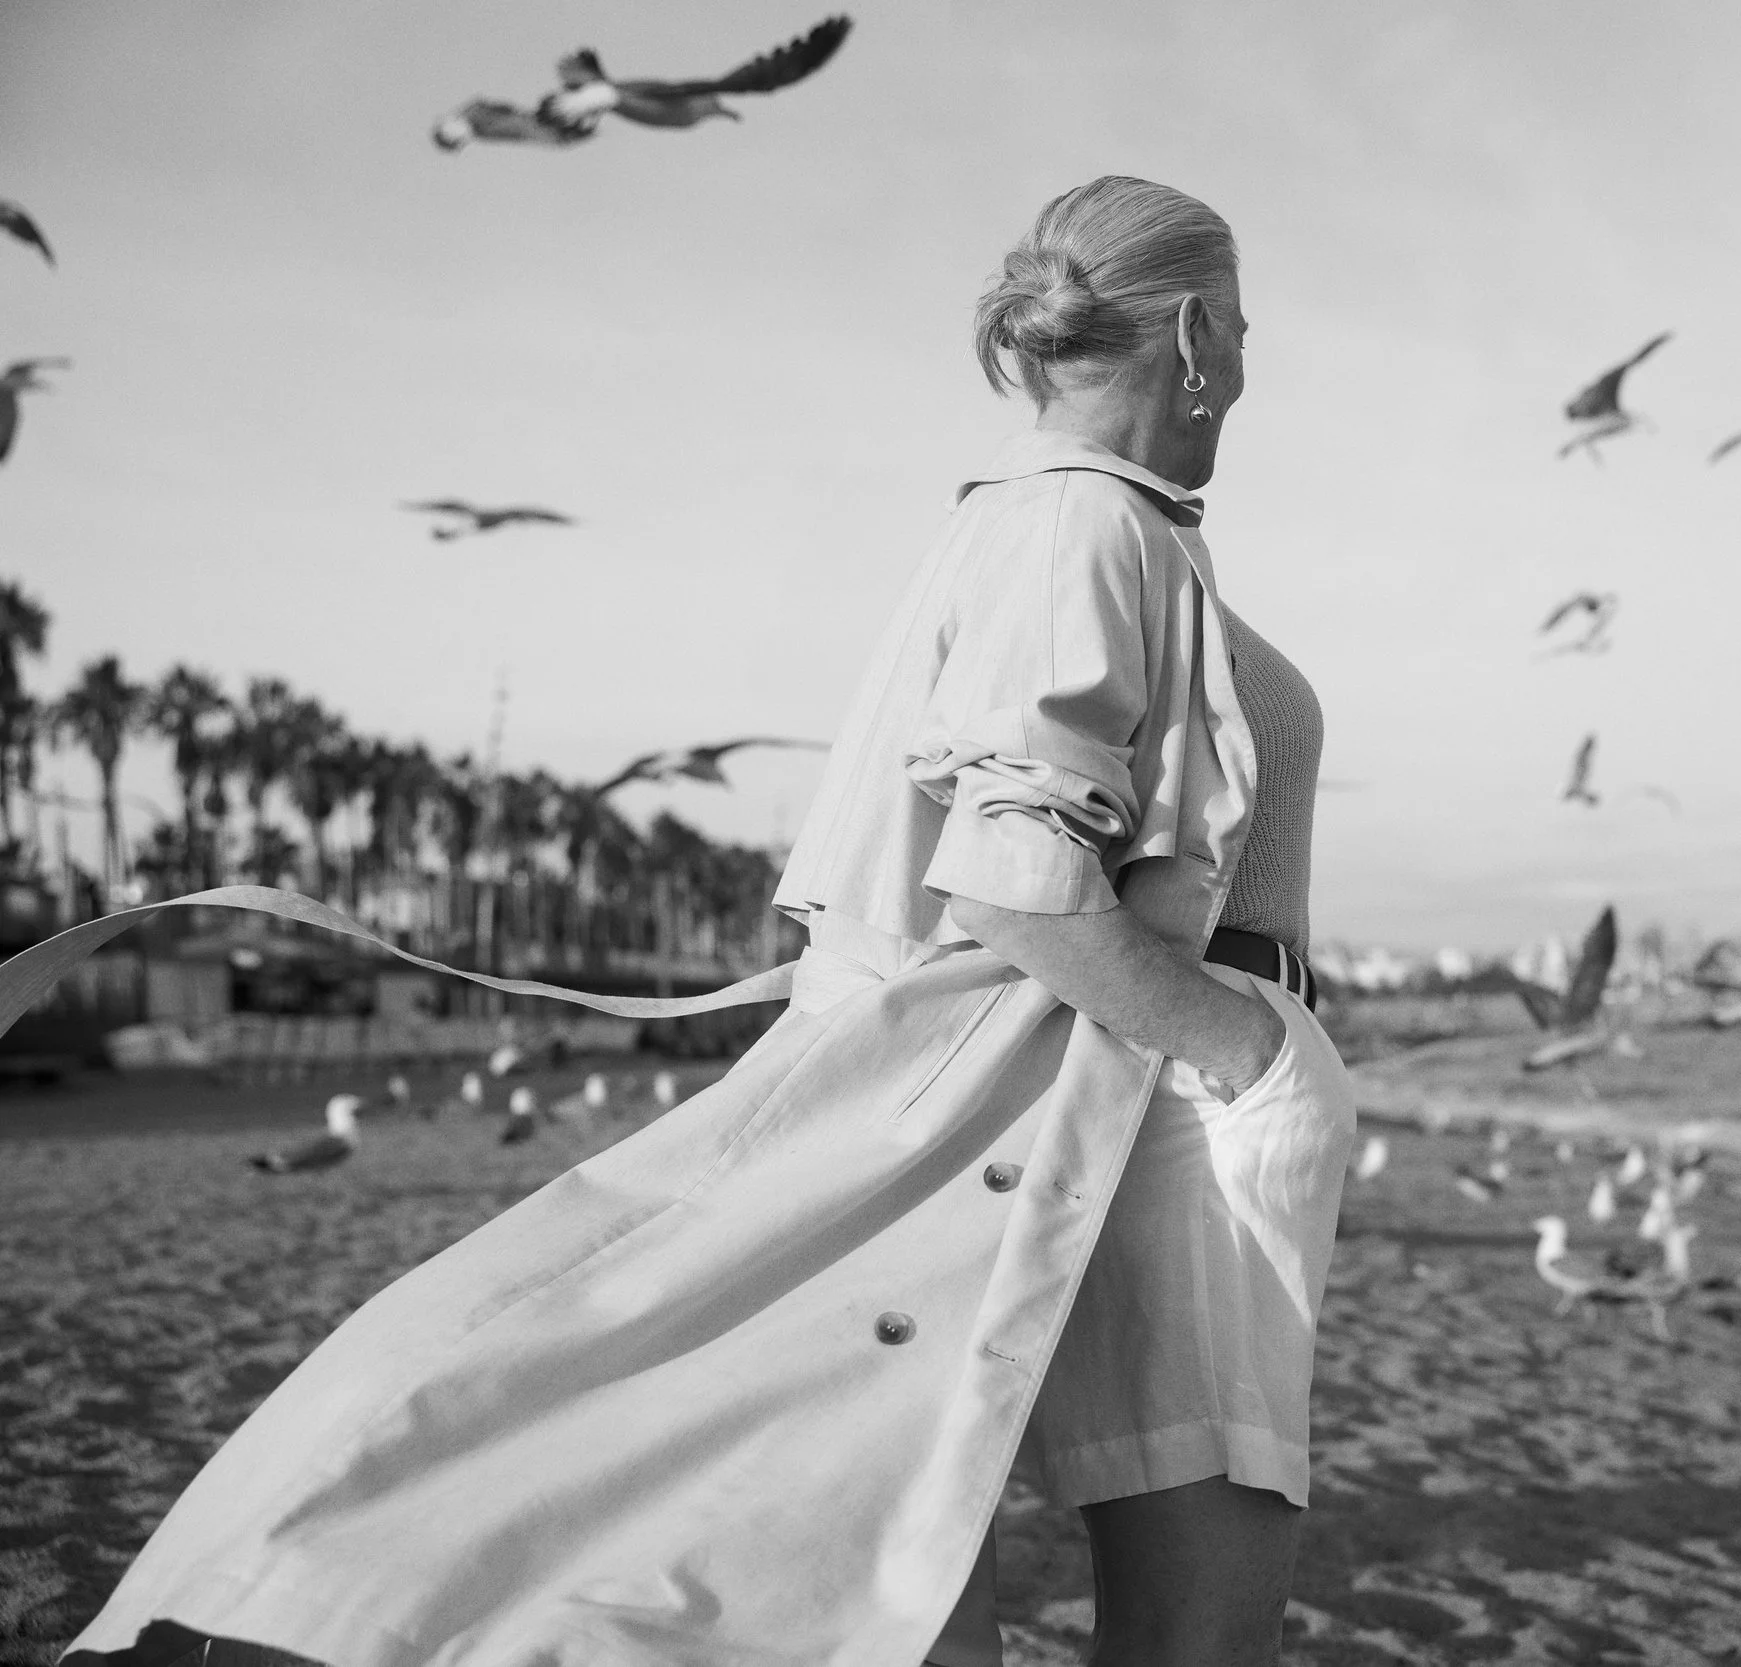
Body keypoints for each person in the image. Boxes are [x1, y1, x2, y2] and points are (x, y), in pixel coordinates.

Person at [59, 175, 1351, 1667]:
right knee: (1167, 1589)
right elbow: (1014, 876)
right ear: (1194, 333)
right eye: (1242, 331)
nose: (1246, 369)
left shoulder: (1066, 527)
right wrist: (1249, 1045)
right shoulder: (1082, 527)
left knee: (906, 1539)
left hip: (1096, 1091)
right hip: (1158, 1082)